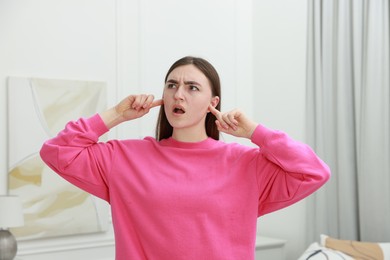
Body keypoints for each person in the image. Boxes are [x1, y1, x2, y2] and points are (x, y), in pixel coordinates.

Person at [40, 56, 330, 260]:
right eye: (172, 85)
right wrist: (116, 114)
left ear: (212, 103)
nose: (179, 94)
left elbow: (313, 171)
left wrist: (255, 131)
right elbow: (57, 151)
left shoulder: (246, 164)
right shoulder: (125, 158)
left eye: (192, 87)